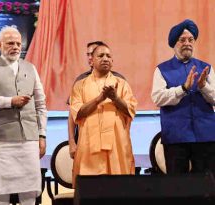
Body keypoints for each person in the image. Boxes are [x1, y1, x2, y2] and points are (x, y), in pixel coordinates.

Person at [0, 26, 47, 205]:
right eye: (10, 43)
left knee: (29, 191)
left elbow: (41, 104)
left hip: (28, 139)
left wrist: (42, 134)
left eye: (18, 43)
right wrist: (9, 102)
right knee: (0, 191)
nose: (15, 47)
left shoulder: (30, 68)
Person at [151, 19, 215, 174]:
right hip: (176, 137)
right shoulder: (162, 70)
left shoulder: (206, 68)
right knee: (177, 187)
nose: (187, 43)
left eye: (190, 40)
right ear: (174, 44)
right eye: (182, 40)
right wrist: (183, 89)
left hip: (205, 136)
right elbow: (157, 98)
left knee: (207, 186)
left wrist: (203, 86)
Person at [69, 43, 137, 187]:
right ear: (91, 61)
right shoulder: (79, 85)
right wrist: (99, 99)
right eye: (100, 56)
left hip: (117, 147)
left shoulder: (122, 84)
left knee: (119, 190)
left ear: (112, 61)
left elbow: (130, 111)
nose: (105, 58)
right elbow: (78, 113)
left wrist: (115, 98)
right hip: (89, 148)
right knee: (90, 191)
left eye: (108, 56)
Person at [67, 41, 126, 159]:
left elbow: (128, 111)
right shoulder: (80, 81)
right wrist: (72, 142)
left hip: (114, 140)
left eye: (92, 53)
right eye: (88, 54)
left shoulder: (119, 80)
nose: (89, 57)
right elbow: (73, 114)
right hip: (86, 140)